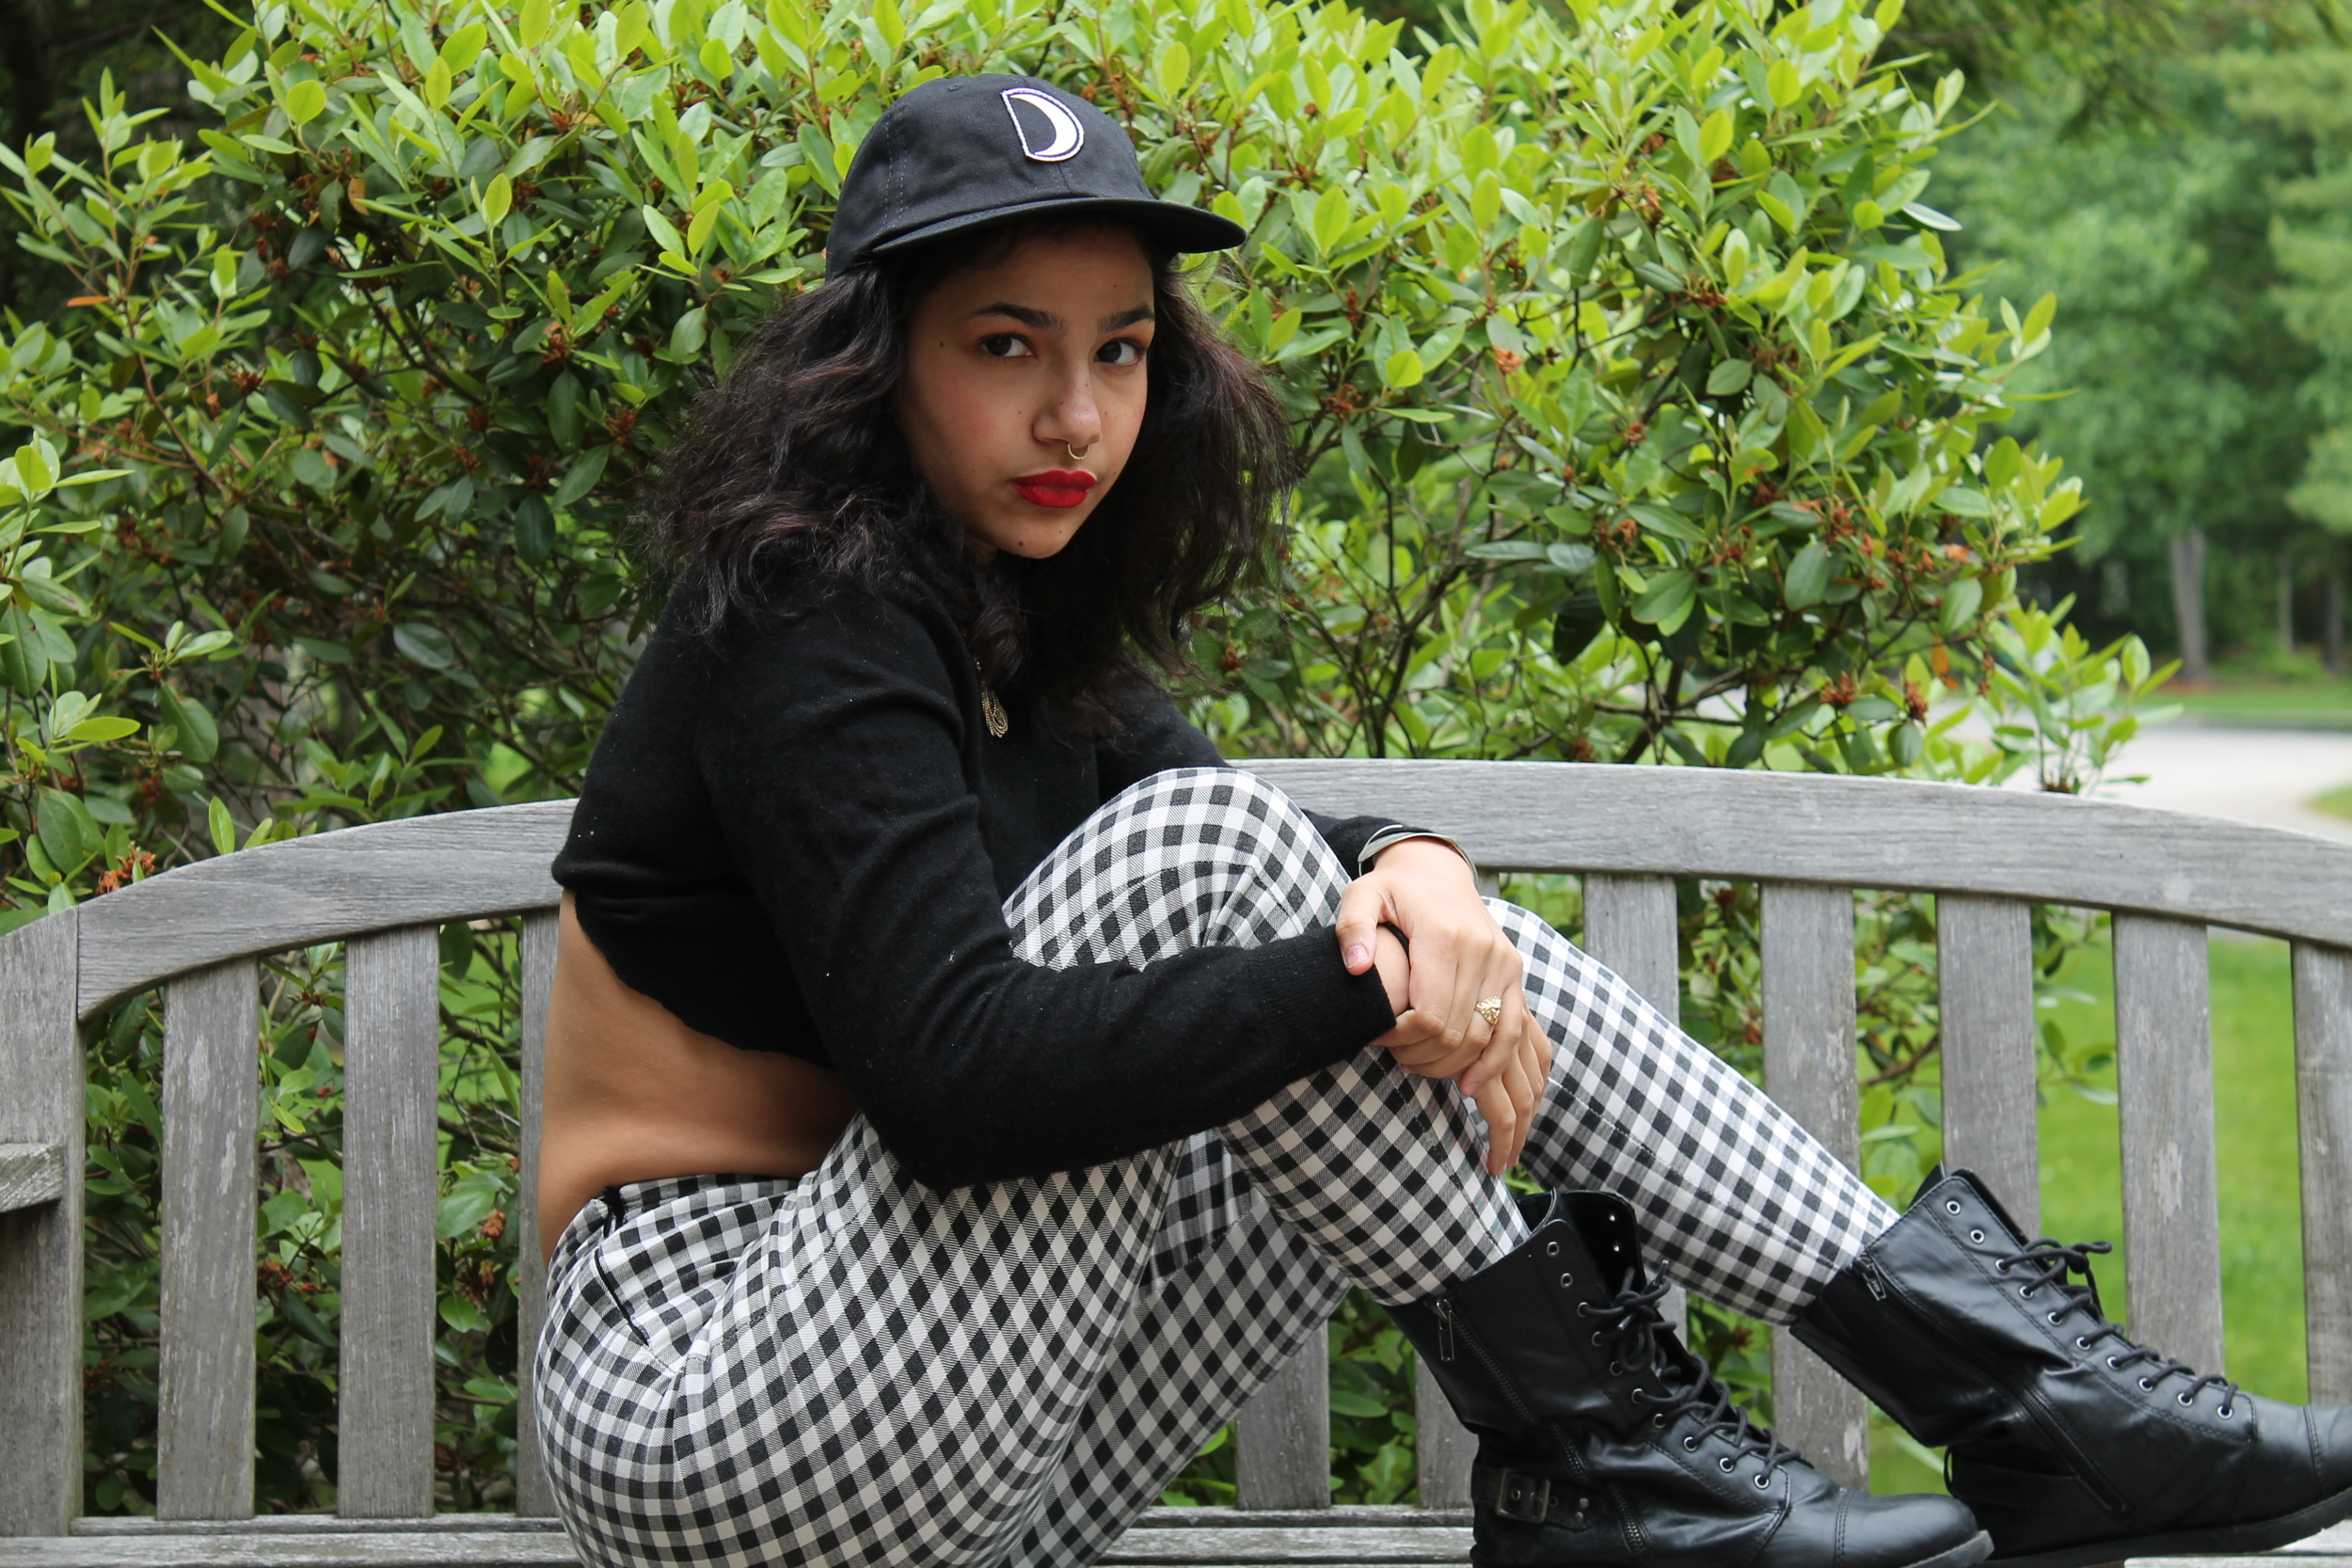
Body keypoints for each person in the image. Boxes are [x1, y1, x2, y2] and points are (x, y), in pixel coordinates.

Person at [533, 73, 2352, 1568]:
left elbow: (1267, 829)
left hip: (971, 1448)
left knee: (1351, 910)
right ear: (875, 360)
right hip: (710, 1411)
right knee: (1257, 897)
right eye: (1007, 345)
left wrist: (1420, 865)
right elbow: (954, 1081)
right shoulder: (809, 607)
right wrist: (1375, 976)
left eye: (1124, 350)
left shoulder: (1017, 618)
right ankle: (1713, 1450)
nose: (1078, 412)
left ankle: (2002, 1403)